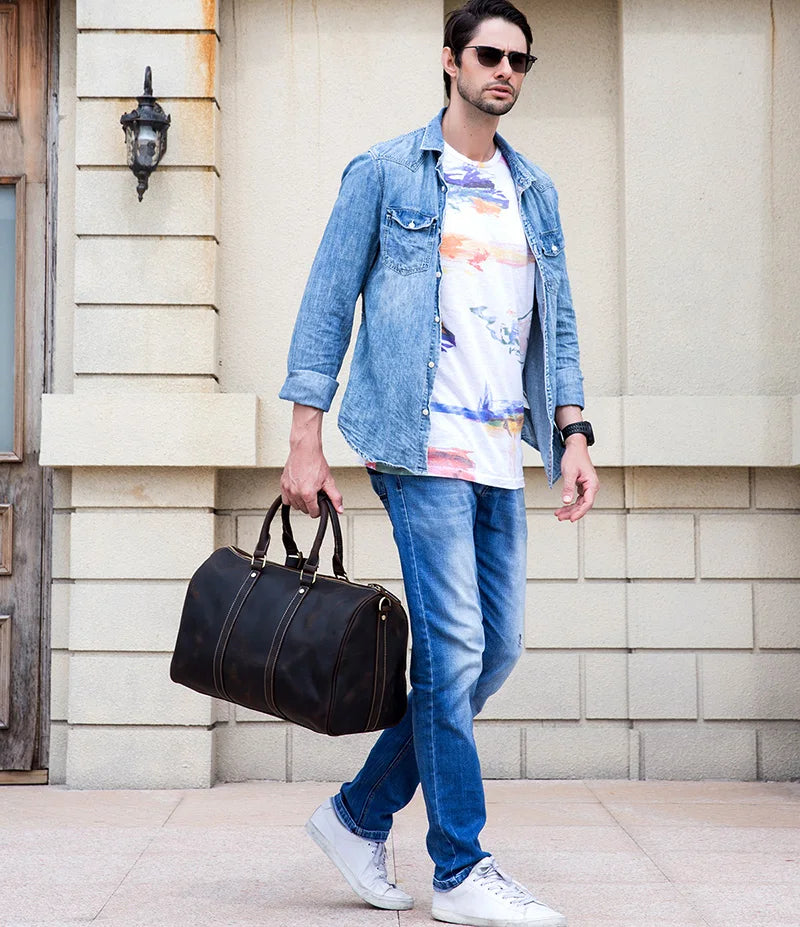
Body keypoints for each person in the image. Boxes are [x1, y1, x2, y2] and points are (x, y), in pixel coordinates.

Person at [279, 1, 599, 923]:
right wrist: (304, 440)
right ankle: (460, 867)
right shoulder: (385, 172)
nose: (506, 71)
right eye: (490, 55)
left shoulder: (532, 191)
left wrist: (573, 434)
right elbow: (326, 305)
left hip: (504, 451)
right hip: (419, 448)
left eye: (521, 61)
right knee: (454, 647)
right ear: (452, 60)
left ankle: (356, 813)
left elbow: (559, 328)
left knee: (491, 652)